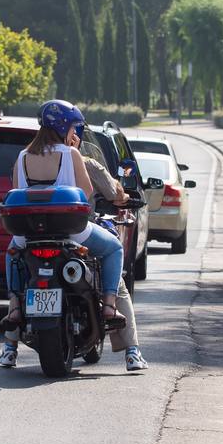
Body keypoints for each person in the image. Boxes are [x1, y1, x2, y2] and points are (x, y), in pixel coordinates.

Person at [0, 100, 125, 368]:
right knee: (114, 248)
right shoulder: (71, 154)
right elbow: (87, 192)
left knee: (12, 254)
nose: (75, 134)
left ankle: (14, 308)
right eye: (74, 128)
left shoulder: (22, 157)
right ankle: (110, 306)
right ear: (64, 127)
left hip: (29, 236)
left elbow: (18, 193)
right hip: (71, 234)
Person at [80, 151, 148, 371]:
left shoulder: (26, 158)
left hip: (32, 233)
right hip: (78, 231)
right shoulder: (82, 162)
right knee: (116, 267)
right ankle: (132, 352)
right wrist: (125, 196)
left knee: (20, 267)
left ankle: (10, 346)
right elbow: (115, 193)